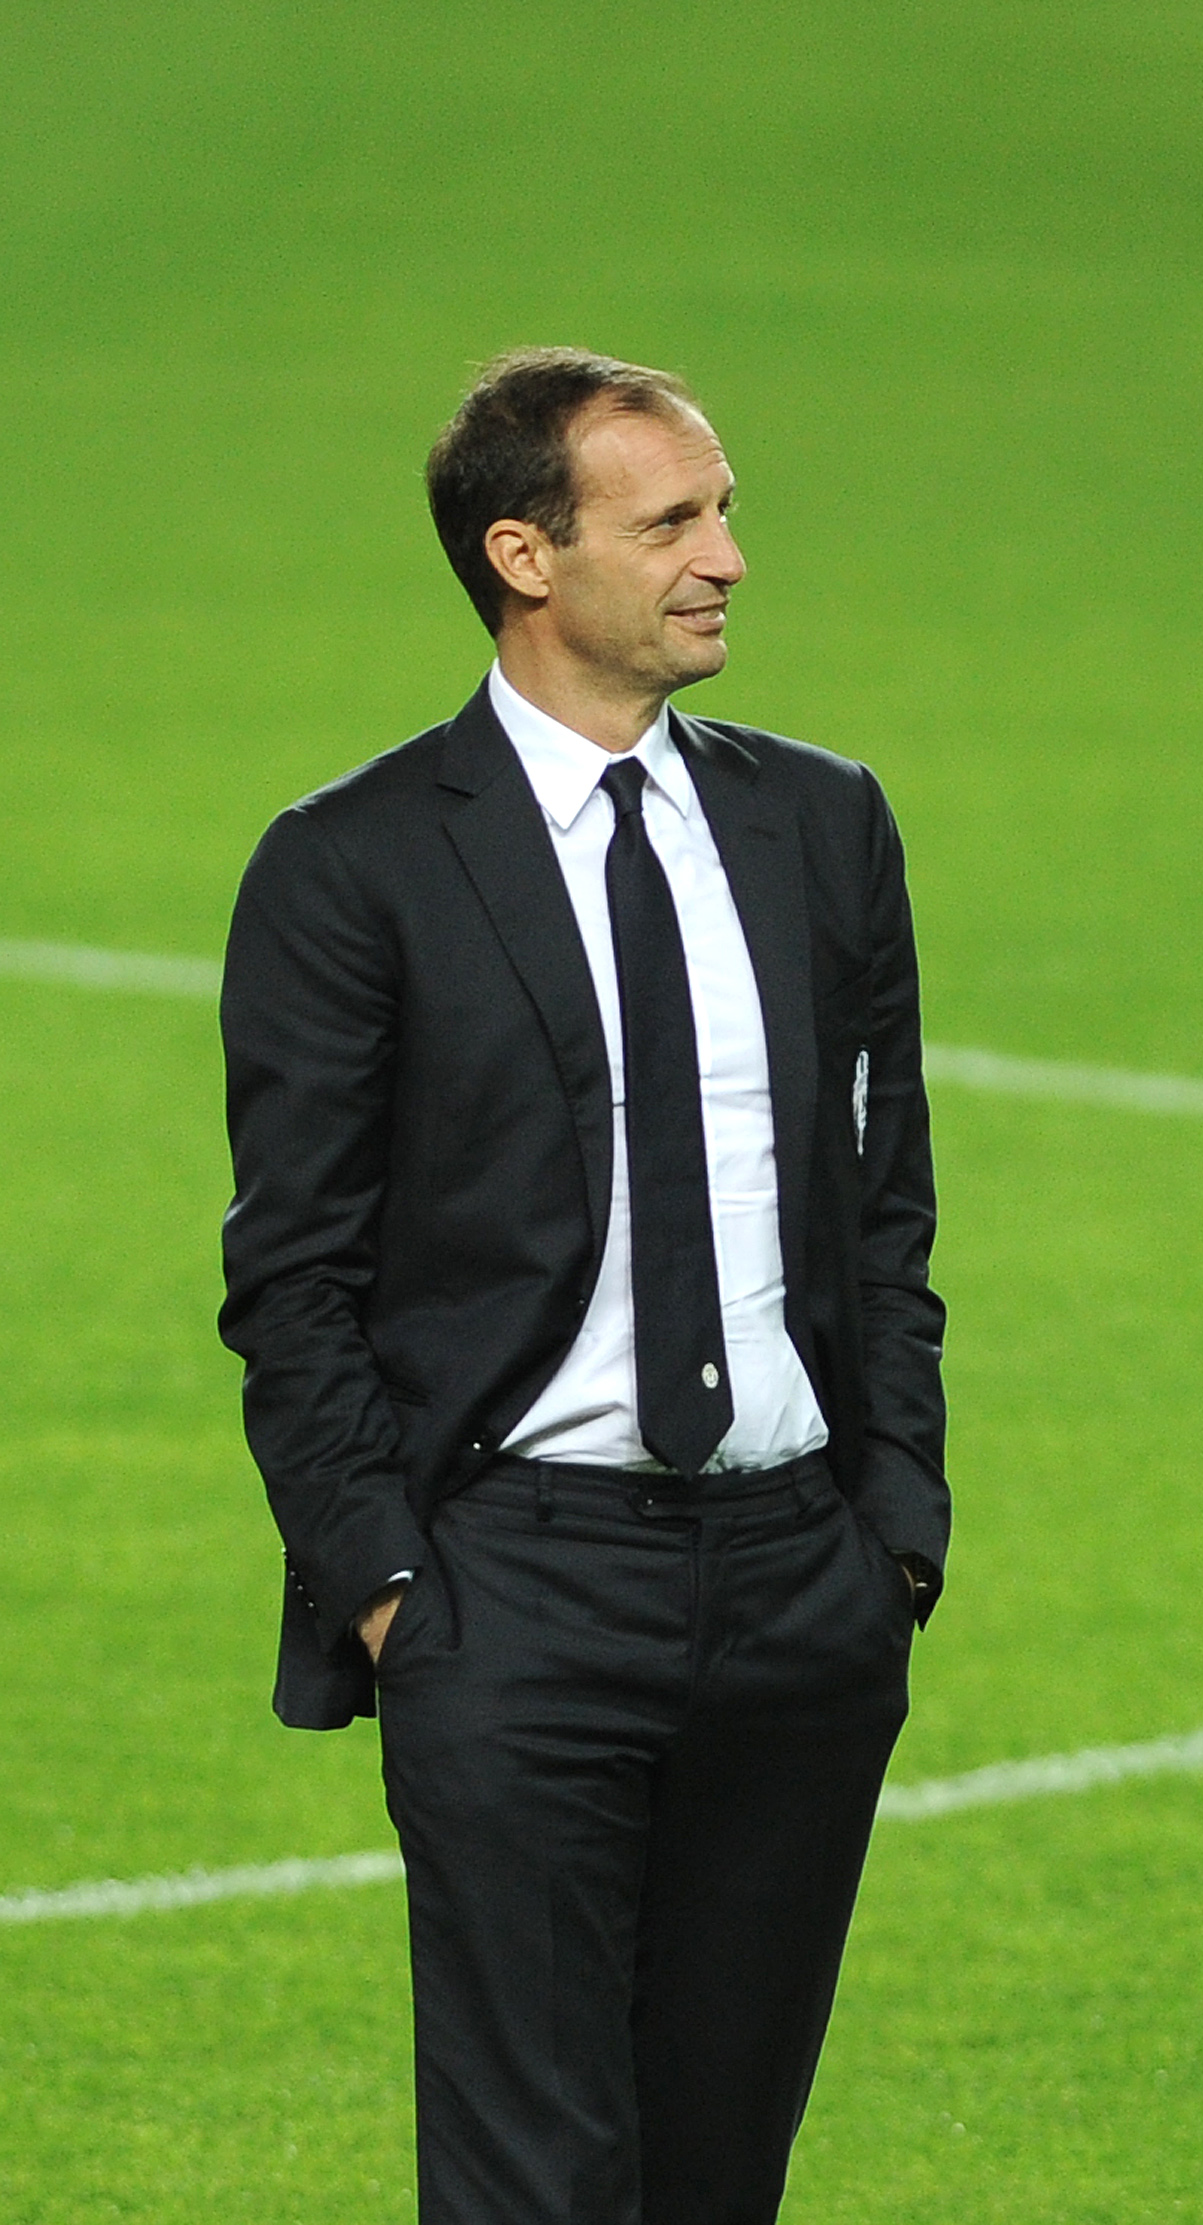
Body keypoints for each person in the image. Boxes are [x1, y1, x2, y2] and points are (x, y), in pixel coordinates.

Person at [219, 348, 949, 2223]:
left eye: (725, 512)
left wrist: (895, 1538)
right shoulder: (352, 866)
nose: (727, 559)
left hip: (801, 1590)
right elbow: (292, 1275)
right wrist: (391, 1590)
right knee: (537, 2180)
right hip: (515, 1592)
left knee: (717, 2171)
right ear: (525, 555)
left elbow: (885, 1211)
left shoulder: (823, 825)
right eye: (675, 521)